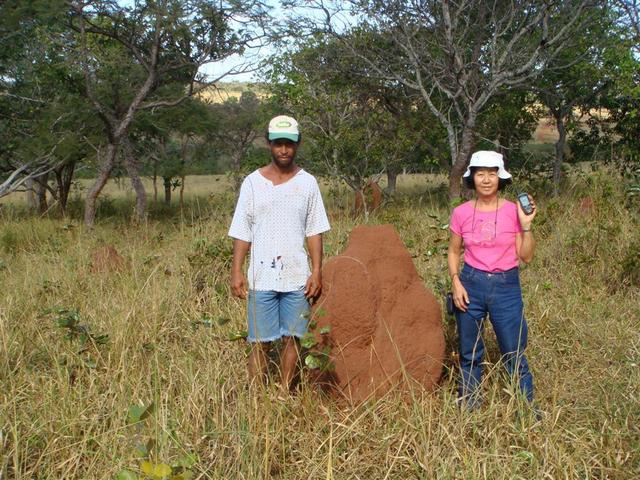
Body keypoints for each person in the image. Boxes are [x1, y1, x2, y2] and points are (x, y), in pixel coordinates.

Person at [228, 114, 331, 392]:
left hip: (297, 276)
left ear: (297, 144)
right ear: (269, 145)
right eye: (278, 144)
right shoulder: (252, 183)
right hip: (261, 278)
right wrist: (237, 271)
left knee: (293, 339)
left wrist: (317, 271)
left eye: (289, 143)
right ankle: (256, 397)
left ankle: (285, 390)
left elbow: (314, 231)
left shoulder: (308, 183)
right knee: (259, 341)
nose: (283, 149)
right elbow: (242, 230)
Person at [447, 150, 537, 411]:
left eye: (492, 173)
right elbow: (454, 251)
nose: (486, 179)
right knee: (469, 352)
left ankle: (525, 407)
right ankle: (470, 405)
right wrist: (456, 282)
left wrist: (527, 224)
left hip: (506, 286)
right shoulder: (461, 212)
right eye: (480, 174)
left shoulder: (514, 211)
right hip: (470, 283)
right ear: (472, 178)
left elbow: (527, 256)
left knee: (513, 351)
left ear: (501, 178)